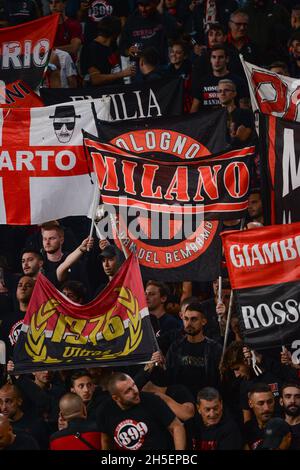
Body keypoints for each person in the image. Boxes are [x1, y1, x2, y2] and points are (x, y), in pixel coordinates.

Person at [96, 372, 186, 450]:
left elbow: (177, 427)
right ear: (116, 398)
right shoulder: (104, 411)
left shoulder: (152, 400)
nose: (135, 391)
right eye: (128, 391)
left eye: (134, 385)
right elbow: (106, 440)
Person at [164, 302, 222, 399]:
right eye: (186, 319)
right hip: (180, 401)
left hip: (206, 401)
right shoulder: (175, 347)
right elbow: (169, 377)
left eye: (194, 319)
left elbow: (219, 381)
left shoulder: (214, 348)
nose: (189, 323)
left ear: (203, 321)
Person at [190, 44, 248, 112]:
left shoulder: (238, 81)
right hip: (208, 122)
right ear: (210, 60)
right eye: (214, 57)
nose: (217, 61)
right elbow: (194, 110)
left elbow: (245, 111)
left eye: (220, 57)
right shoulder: (203, 82)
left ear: (227, 59)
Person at [81, 15, 135, 86]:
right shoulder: (92, 49)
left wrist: (127, 52)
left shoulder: (110, 45)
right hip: (102, 94)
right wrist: (123, 74)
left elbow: (110, 57)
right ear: (116, 33)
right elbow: (96, 79)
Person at [0, 383, 49, 449]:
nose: (3, 407)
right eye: (0, 402)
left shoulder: (36, 424)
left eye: (8, 401)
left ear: (19, 401)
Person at [217, 78, 255, 147]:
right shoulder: (214, 116)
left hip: (240, 154)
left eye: (226, 90)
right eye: (220, 91)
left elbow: (245, 136)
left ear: (234, 93)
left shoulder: (246, 114)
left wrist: (235, 139)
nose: (222, 93)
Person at [243, 383, 276, 450]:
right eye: (261, 403)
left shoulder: (282, 427)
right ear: (250, 404)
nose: (266, 408)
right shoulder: (247, 429)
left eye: (270, 402)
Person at [280, 383, 300, 449]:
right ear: (281, 401)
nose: (293, 401)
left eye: (297, 397)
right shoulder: (274, 426)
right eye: (288, 397)